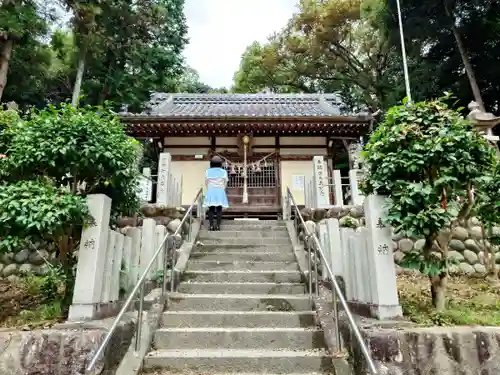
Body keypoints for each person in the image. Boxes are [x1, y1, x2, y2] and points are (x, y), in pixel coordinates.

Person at [203, 155, 229, 231]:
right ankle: (218, 226)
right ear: (220, 163)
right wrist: (222, 189)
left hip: (211, 190)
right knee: (219, 209)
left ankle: (211, 226)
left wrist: (210, 188)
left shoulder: (208, 171)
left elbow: (206, 182)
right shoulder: (224, 172)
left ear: (211, 163)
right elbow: (225, 182)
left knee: (211, 209)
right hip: (220, 191)